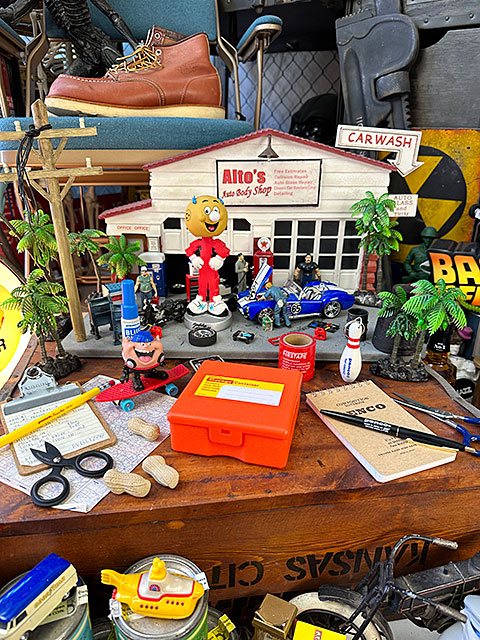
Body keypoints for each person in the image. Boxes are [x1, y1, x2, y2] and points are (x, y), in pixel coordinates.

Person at [184, 195, 230, 316]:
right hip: (202, 270)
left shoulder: (216, 243)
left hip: (212, 270)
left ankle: (215, 300)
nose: (214, 216)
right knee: (202, 284)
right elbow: (189, 250)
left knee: (214, 283)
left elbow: (224, 251)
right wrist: (193, 258)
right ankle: (202, 299)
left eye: (216, 211)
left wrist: (219, 258)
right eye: (208, 211)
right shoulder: (198, 243)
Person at [120, 326, 168, 392]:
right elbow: (125, 368)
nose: (146, 346)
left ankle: (151, 373)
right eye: (143, 344)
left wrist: (161, 361)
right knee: (136, 377)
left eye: (149, 343)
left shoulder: (154, 349)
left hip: (151, 367)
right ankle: (136, 379)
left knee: (162, 375)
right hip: (137, 370)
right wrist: (125, 375)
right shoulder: (130, 351)